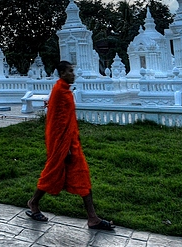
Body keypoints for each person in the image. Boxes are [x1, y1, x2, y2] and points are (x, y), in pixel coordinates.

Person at [26, 60, 115, 231]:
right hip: (62, 144)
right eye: (69, 71)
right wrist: (64, 147)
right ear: (61, 74)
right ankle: (34, 202)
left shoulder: (65, 91)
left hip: (71, 142)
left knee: (81, 176)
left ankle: (92, 218)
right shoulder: (59, 91)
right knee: (52, 173)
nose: (73, 74)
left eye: (72, 71)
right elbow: (57, 123)